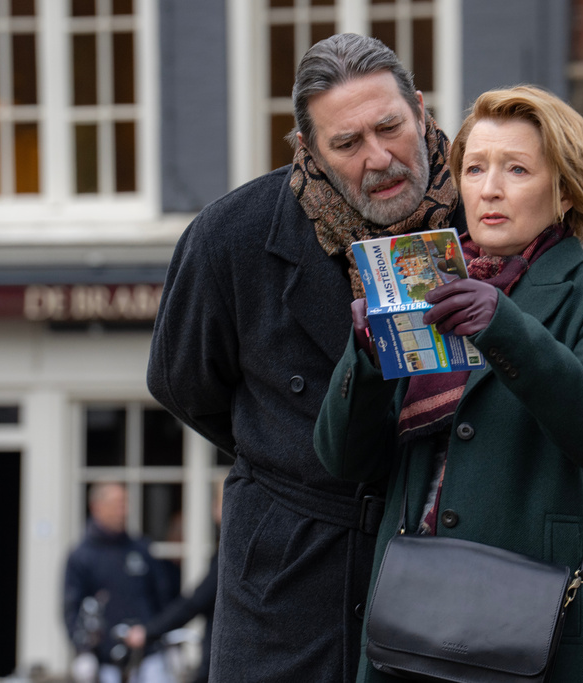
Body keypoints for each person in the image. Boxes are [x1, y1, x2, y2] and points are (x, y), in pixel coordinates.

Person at [313, 85, 583, 682]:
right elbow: (345, 461)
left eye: (516, 169)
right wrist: (366, 356)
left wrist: (505, 327)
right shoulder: (424, 283)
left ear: (565, 191)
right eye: (474, 168)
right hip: (410, 624)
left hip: (534, 635)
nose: (489, 189)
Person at [147, 33, 463, 682]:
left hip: (443, 568)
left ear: (420, 110)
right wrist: (294, 447)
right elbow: (182, 383)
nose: (379, 158)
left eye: (390, 127)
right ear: (307, 149)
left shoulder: (486, 217)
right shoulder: (229, 236)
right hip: (284, 584)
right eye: (347, 143)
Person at [63, 483, 175, 683]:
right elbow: (72, 606)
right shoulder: (82, 556)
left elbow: (162, 597)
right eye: (117, 504)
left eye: (125, 503)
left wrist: (168, 639)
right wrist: (83, 651)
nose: (123, 510)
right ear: (97, 507)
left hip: (148, 655)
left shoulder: (141, 549)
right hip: (106, 661)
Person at [122, 484, 223, 683]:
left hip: (223, 662)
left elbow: (196, 601)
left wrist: (149, 632)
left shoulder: (231, 555)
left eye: (218, 504)